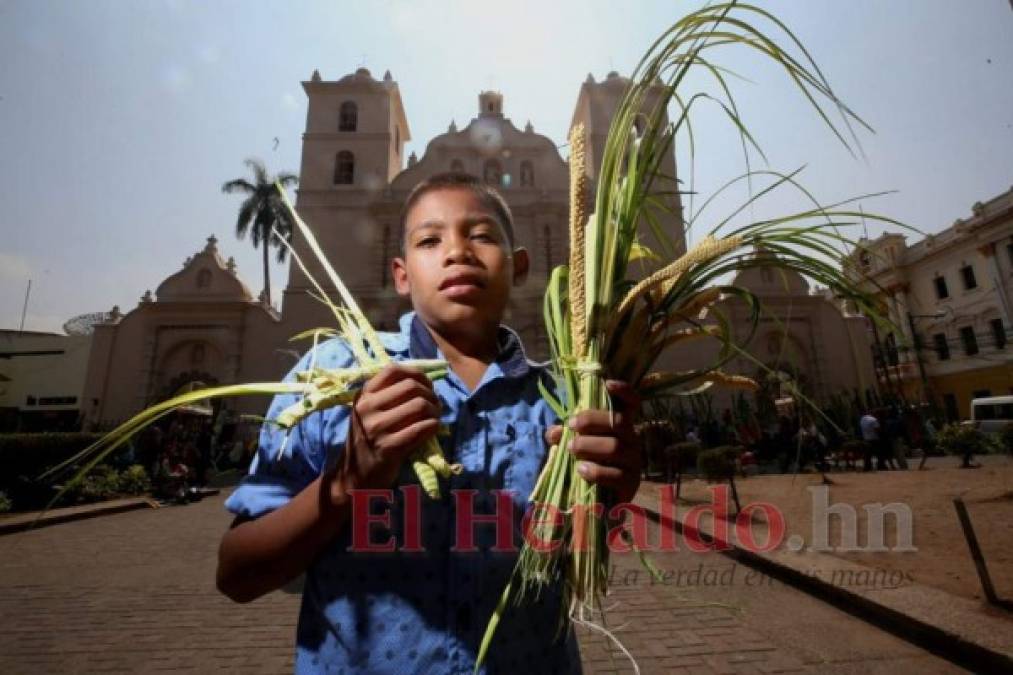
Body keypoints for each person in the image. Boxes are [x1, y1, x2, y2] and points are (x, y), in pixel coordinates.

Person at [215, 173, 642, 673]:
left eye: (481, 235)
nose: (457, 251)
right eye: (429, 239)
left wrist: (612, 491)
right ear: (401, 274)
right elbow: (238, 573)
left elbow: (571, 560)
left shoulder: (565, 400)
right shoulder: (332, 380)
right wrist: (346, 481)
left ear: (520, 265)